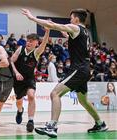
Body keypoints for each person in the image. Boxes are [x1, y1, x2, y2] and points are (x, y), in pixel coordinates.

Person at [22, 8, 108, 137]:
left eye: (71, 18)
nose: (70, 20)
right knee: (83, 101)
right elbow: (72, 37)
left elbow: (54, 25)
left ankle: (52, 126)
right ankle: (100, 123)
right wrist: (65, 33)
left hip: (78, 68)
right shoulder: (84, 32)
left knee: (55, 93)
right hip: (84, 68)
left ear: (76, 19)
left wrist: (32, 18)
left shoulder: (76, 28)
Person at [10, 29, 50, 132]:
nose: (28, 42)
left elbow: (44, 43)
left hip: (29, 79)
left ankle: (30, 121)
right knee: (19, 102)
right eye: (28, 40)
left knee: (31, 96)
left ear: (36, 43)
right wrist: (16, 72)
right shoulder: (20, 49)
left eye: (31, 41)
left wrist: (47, 31)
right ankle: (20, 111)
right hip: (18, 80)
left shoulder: (36, 53)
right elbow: (11, 61)